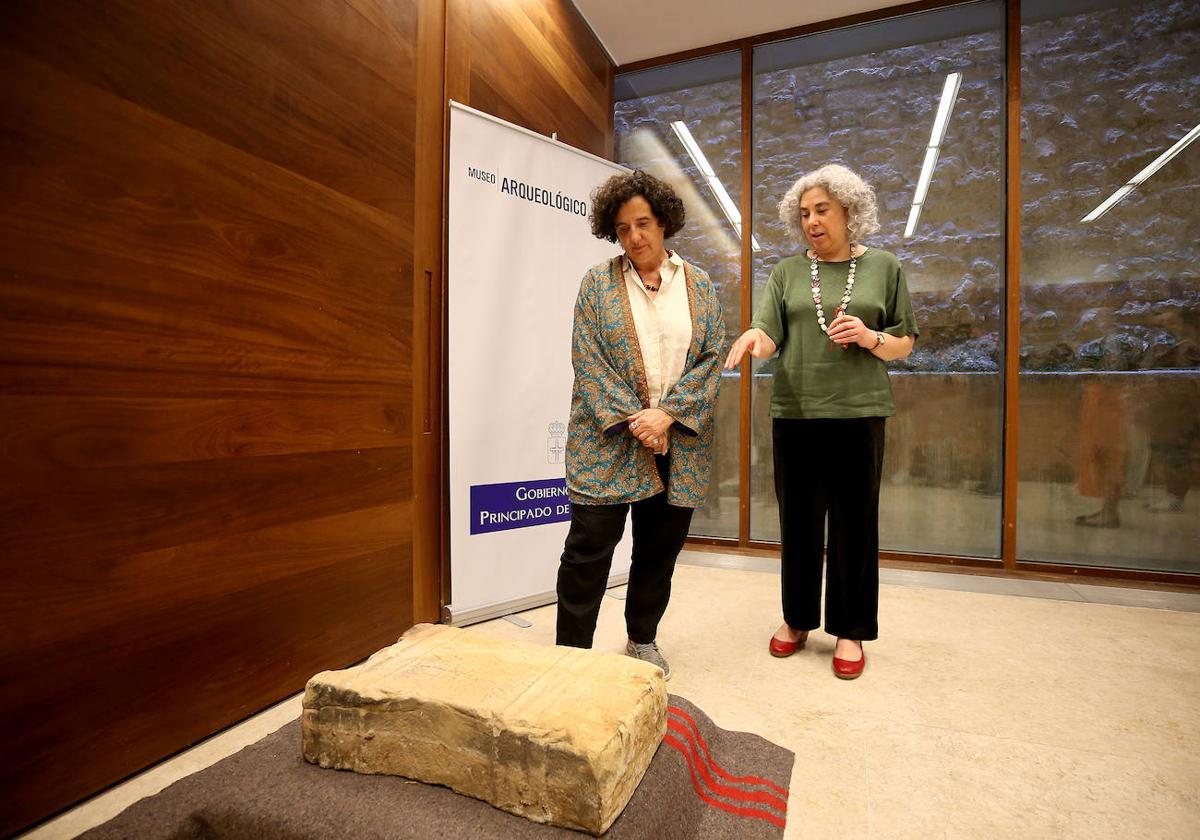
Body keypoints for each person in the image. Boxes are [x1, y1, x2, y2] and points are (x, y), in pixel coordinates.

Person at [725, 163, 918, 680]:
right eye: (804, 212)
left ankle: (850, 629)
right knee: (800, 523)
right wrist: (753, 340)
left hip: (859, 413)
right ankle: (797, 620)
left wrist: (870, 337)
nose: (812, 220)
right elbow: (769, 332)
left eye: (822, 210)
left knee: (855, 525)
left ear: (849, 212)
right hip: (796, 412)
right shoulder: (788, 272)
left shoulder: (884, 267)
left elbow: (905, 342)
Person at [556, 170, 725, 681]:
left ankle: (642, 638)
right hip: (607, 439)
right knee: (588, 549)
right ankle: (570, 654)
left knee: (658, 550)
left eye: (644, 223)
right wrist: (638, 420)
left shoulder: (699, 285)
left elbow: (711, 356)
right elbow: (588, 358)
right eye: (623, 227)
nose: (635, 237)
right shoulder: (596, 284)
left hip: (678, 439)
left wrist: (667, 415)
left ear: (664, 222)